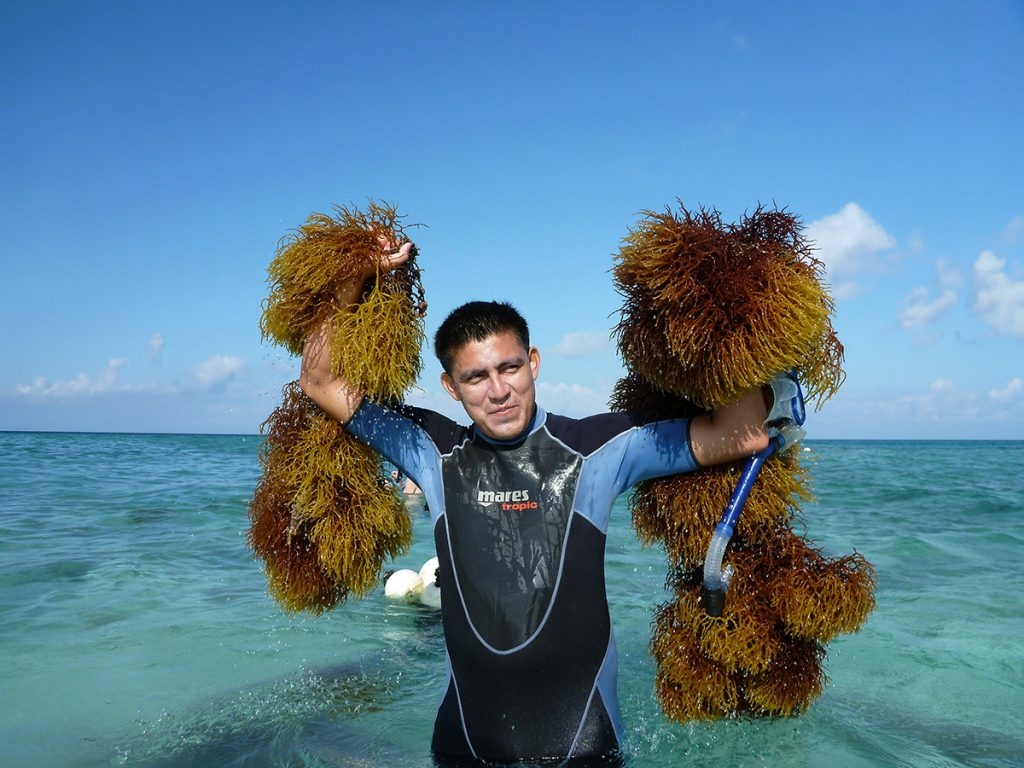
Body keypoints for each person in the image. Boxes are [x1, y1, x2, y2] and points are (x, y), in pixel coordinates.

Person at [299, 240, 801, 765]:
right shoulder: (432, 451)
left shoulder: (597, 448)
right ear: (451, 387)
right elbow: (320, 380)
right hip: (464, 745)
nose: (498, 391)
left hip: (582, 746)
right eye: (476, 377)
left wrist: (732, 308)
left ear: (533, 362)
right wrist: (357, 273)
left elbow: (741, 435)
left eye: (509, 368)